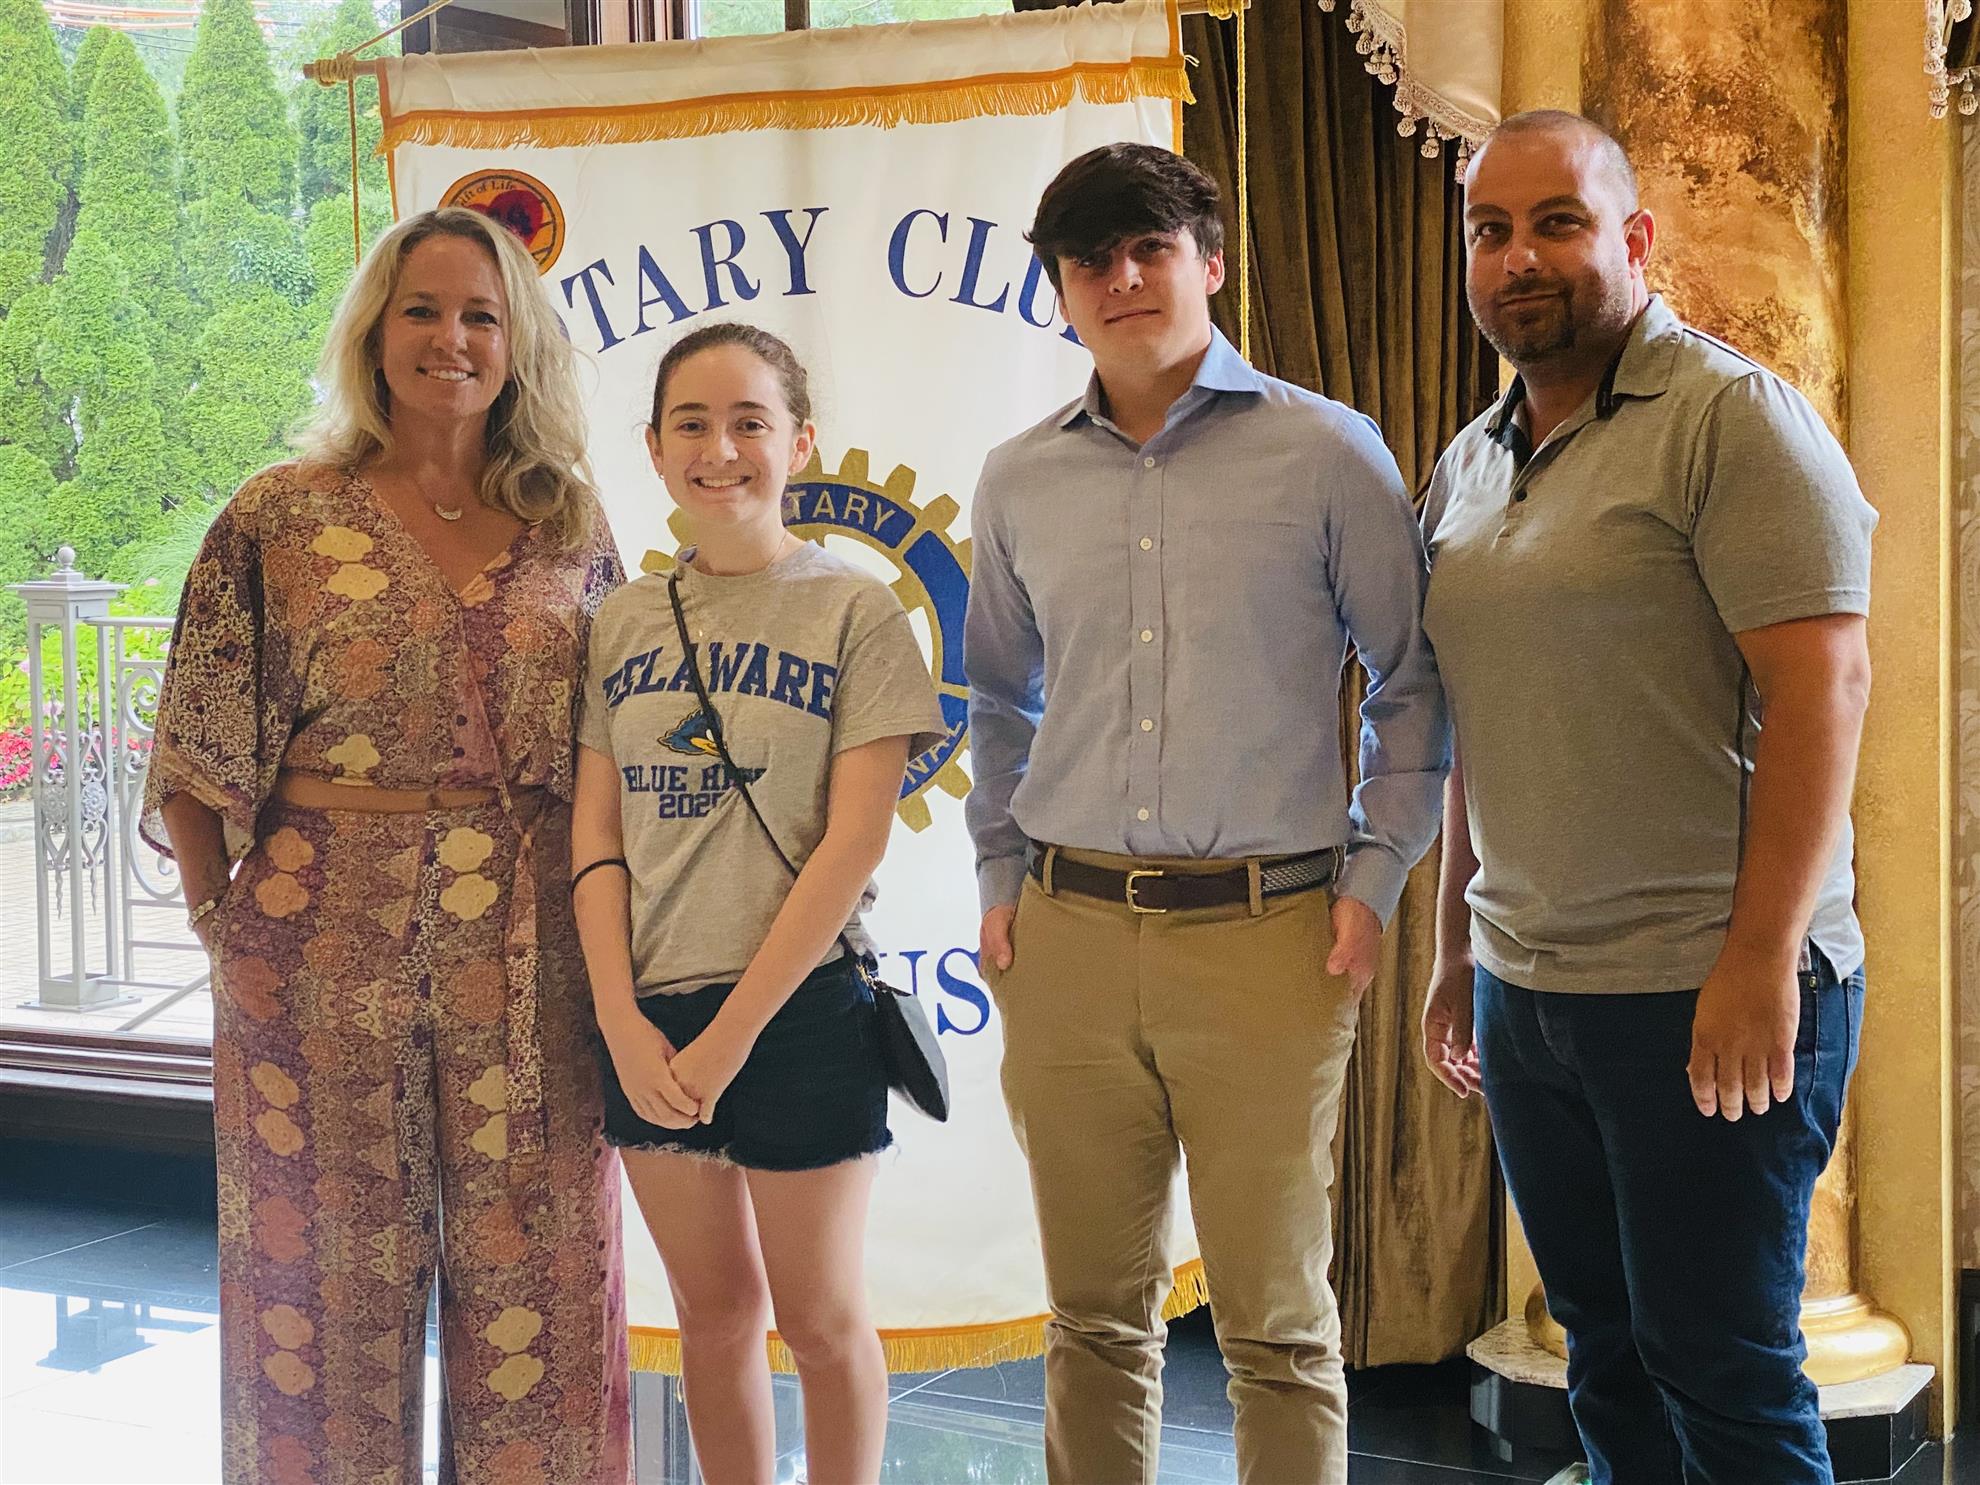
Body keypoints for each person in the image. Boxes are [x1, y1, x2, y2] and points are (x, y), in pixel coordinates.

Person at [964, 142, 1448, 1485]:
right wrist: (1000, 880)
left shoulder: (1327, 452)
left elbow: (1411, 683)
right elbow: (996, 696)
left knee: (1277, 1329)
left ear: (1211, 264)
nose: (1123, 279)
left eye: (1151, 249)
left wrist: (1374, 879)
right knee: (1092, 1321)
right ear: (1062, 289)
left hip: (1268, 940)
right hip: (1065, 935)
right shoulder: (1016, 479)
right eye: (1091, 261)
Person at [1418, 111, 1875, 1485]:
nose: (1519, 258)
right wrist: (1455, 948)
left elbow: (1824, 692)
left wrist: (1758, 961)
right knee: (1605, 1360)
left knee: (1722, 1373)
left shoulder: (1734, 419)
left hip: (1702, 991)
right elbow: (1476, 720)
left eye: (1556, 222)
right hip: (1530, 990)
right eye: (1491, 231)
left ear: (1634, 239)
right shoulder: (1469, 459)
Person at [144, 206, 631, 1483]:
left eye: (481, 316)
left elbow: (615, 749)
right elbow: (194, 736)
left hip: (534, 952)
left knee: (542, 1291)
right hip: (316, 951)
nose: (450, 339)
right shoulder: (279, 516)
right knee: (315, 1296)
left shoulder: (571, 527)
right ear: (374, 331)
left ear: (518, 346)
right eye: (422, 309)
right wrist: (219, 921)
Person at [571, 322, 945, 1485]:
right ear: (653, 447)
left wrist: (734, 1035)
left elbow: (854, 840)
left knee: (820, 1322)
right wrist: (621, 1019)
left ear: (800, 443)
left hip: (801, 1013)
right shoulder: (620, 621)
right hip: (650, 1017)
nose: (720, 449)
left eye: (749, 423)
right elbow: (595, 833)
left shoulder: (856, 612)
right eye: (692, 424)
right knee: (713, 1315)